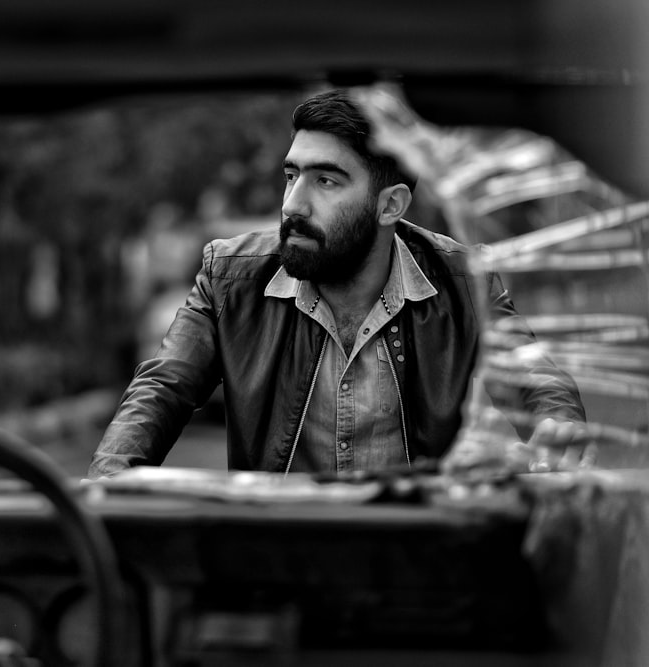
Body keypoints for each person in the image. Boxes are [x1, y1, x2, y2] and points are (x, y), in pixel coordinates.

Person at [88, 89, 585, 478]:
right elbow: (161, 390)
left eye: (325, 181)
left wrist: (555, 426)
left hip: (420, 573)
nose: (293, 205)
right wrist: (105, 486)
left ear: (390, 205)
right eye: (291, 176)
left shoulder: (463, 282)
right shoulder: (229, 276)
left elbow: (536, 382)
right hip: (277, 575)